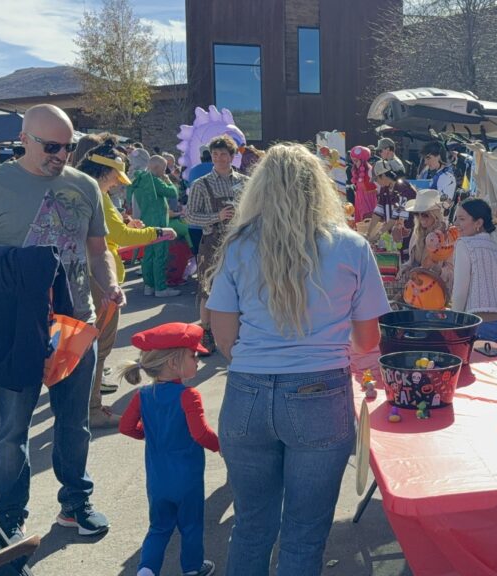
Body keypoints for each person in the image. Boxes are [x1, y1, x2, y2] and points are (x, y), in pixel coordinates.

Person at [205, 143, 390, 575]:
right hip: (320, 392)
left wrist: (262, 358)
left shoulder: (238, 245)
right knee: (304, 535)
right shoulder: (351, 246)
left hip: (247, 392)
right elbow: (368, 339)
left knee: (251, 527)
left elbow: (224, 335)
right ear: (319, 188)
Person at [0, 104, 124, 539]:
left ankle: (75, 504)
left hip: (76, 323)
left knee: (75, 424)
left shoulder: (84, 186)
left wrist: (110, 284)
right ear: (23, 140)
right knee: (12, 430)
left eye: (68, 147)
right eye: (51, 147)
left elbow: (97, 250)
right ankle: (9, 516)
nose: (61, 155)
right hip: (17, 328)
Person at [74, 136, 178, 428]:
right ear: (104, 172)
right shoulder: (96, 193)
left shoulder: (82, 189)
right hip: (100, 280)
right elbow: (119, 237)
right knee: (98, 347)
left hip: (88, 275)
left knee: (87, 347)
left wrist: (126, 226)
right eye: (115, 178)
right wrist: (159, 233)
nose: (118, 185)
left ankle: (82, 405)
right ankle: (92, 409)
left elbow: (113, 232)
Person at [118, 323, 219, 576]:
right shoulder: (189, 395)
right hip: (188, 478)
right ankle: (192, 568)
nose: (198, 360)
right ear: (174, 363)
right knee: (191, 525)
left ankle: (146, 570)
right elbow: (200, 434)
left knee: (159, 527)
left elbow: (125, 427)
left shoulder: (143, 395)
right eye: (193, 356)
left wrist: (149, 434)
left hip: (158, 478)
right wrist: (222, 446)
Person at [185, 135, 247, 355]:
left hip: (240, 243)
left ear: (232, 156)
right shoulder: (201, 184)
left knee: (242, 288)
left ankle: (240, 332)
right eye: (215, 154)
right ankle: (206, 332)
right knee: (207, 289)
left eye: (223, 154)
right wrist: (216, 216)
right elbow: (190, 216)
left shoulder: (244, 182)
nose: (219, 158)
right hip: (212, 243)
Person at [451, 198, 497, 342]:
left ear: (478, 223)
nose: (456, 223)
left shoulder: (464, 244)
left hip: (477, 324)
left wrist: (453, 323)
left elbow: (460, 291)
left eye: (461, 219)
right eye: (456, 218)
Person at [130, 156, 182, 297]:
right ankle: (160, 288)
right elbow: (173, 193)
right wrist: (168, 181)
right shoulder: (155, 180)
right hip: (158, 221)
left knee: (148, 255)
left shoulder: (140, 179)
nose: (165, 172)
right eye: (164, 168)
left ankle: (149, 286)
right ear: (157, 167)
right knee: (160, 255)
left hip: (146, 220)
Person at [399, 188, 454, 294]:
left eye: (425, 214)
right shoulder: (417, 233)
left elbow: (452, 273)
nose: (420, 218)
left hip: (435, 292)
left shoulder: (447, 236)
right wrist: (405, 268)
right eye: (417, 214)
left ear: (435, 214)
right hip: (415, 290)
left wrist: (439, 271)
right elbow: (412, 262)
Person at [366, 159, 416, 246]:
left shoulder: (404, 189)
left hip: (407, 234)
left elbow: (395, 218)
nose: (376, 182)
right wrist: (368, 233)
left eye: (376, 179)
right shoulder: (384, 189)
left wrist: (378, 235)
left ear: (383, 175)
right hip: (393, 235)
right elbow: (378, 213)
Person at [418, 141, 457, 208]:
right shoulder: (429, 173)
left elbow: (446, 203)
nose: (425, 162)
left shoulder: (446, 176)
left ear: (439, 156)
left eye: (428, 158)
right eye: (425, 159)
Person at [349, 145, 378, 223]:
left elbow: (378, 187)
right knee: (360, 222)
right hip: (359, 200)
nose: (354, 163)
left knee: (366, 220)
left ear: (362, 160)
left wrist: (369, 192)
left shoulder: (370, 170)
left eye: (356, 161)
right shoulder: (357, 171)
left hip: (368, 201)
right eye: (353, 161)